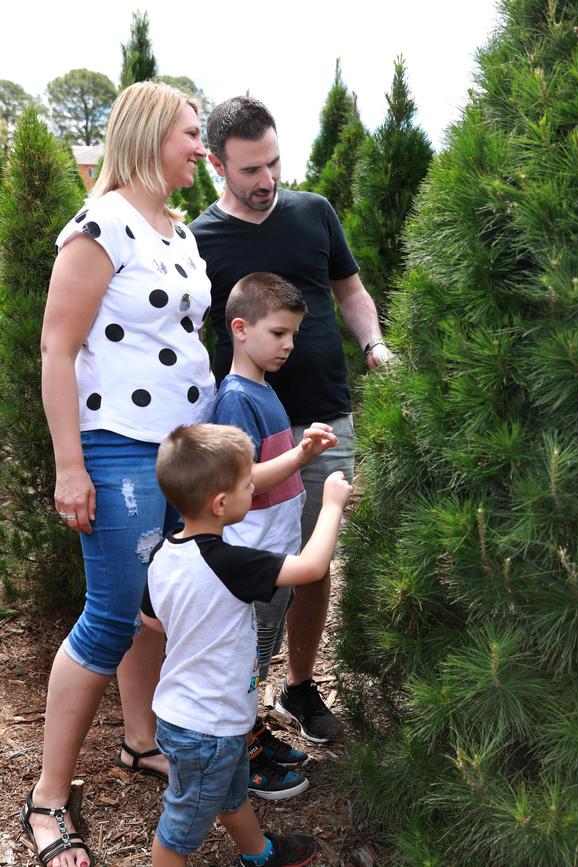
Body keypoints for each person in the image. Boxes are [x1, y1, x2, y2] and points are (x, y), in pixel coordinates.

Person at [20, 81, 216, 867]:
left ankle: (139, 742)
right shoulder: (100, 224)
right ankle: (46, 797)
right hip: (118, 445)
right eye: (192, 134)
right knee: (110, 614)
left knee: (154, 600)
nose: (202, 147)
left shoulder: (176, 226)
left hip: (178, 448)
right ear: (148, 136)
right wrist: (71, 465)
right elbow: (56, 350)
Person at [190, 96, 393, 743]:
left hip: (325, 418)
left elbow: (351, 293)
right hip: (245, 435)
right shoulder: (200, 239)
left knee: (313, 563)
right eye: (250, 169)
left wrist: (374, 344)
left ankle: (299, 689)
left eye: (274, 163)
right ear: (218, 164)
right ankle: (236, 712)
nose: (267, 180)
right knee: (249, 576)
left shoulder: (314, 213)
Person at [141, 422, 352, 867]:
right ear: (222, 504)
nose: (253, 486)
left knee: (231, 792)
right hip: (208, 728)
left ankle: (259, 854)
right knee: (178, 831)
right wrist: (331, 503)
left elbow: (149, 619)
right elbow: (312, 567)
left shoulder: (164, 554)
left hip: (194, 716)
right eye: (248, 484)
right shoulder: (228, 563)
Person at [215, 271, 340, 799]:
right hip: (254, 557)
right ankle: (239, 758)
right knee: (246, 659)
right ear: (241, 329)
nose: (289, 345)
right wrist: (303, 455)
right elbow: (240, 481)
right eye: (278, 333)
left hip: (275, 550)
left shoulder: (263, 388)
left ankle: (253, 732)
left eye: (293, 334)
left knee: (258, 656)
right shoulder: (235, 399)